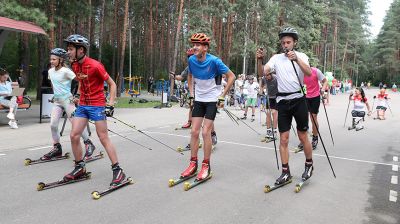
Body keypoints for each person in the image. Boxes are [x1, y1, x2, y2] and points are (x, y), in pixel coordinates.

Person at [64, 34, 126, 186]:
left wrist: (110, 105)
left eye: (71, 49)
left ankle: (118, 170)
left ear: (81, 50)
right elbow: (81, 81)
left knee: (103, 137)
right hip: (83, 105)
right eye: (68, 49)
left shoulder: (96, 65)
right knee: (74, 135)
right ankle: (80, 167)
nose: (68, 52)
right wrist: (78, 95)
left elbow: (112, 85)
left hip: (97, 105)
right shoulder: (74, 64)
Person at [180, 33, 235, 182]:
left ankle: (206, 165)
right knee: (194, 131)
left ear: (205, 47)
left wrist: (222, 95)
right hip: (199, 99)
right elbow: (190, 76)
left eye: (198, 45)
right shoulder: (192, 60)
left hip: (211, 100)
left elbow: (232, 76)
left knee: (205, 132)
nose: (194, 47)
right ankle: (193, 164)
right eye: (194, 44)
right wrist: (191, 94)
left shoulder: (215, 61)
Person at [263, 27, 314, 185]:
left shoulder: (302, 56)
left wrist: (296, 60)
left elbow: (309, 73)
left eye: (288, 42)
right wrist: (262, 63)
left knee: (302, 136)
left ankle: (309, 164)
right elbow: (265, 71)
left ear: (294, 43)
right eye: (283, 42)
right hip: (282, 102)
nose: (285, 45)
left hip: (299, 100)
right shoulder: (276, 58)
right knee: (283, 139)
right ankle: (286, 172)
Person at [40, 48, 96, 161]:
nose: (51, 61)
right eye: (50, 59)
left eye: (54, 59)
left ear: (60, 59)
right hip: (57, 101)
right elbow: (53, 85)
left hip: (68, 100)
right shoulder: (50, 71)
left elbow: (81, 81)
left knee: (76, 125)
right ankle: (57, 148)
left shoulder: (66, 71)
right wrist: (55, 96)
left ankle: (88, 143)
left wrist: (78, 95)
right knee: (53, 125)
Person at [170, 48, 218, 148]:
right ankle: (193, 139)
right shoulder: (190, 66)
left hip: (205, 95)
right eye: (188, 57)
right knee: (193, 115)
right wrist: (174, 76)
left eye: (191, 56)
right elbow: (181, 77)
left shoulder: (207, 63)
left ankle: (212, 133)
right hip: (194, 94)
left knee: (206, 117)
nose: (190, 58)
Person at [297, 66, 328, 150]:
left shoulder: (316, 71)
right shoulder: (300, 72)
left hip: (315, 96)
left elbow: (325, 81)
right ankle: (304, 139)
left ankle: (315, 137)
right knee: (303, 118)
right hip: (305, 96)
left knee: (313, 117)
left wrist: (323, 88)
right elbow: (299, 84)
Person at [259, 65, 278, 140]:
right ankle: (268, 131)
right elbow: (261, 85)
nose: (266, 77)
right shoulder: (264, 78)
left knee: (274, 113)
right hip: (269, 97)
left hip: (277, 97)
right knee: (268, 113)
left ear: (271, 74)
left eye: (267, 75)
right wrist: (260, 92)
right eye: (265, 75)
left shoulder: (276, 78)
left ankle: (275, 132)